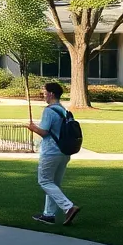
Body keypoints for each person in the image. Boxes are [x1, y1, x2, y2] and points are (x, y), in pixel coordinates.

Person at [26, 81, 81, 226]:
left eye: (44, 92)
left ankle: (68, 207)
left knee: (44, 181)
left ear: (51, 93)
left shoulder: (49, 111)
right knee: (54, 183)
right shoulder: (63, 110)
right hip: (64, 152)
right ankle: (48, 214)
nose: (43, 94)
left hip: (50, 152)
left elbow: (44, 132)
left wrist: (32, 128)